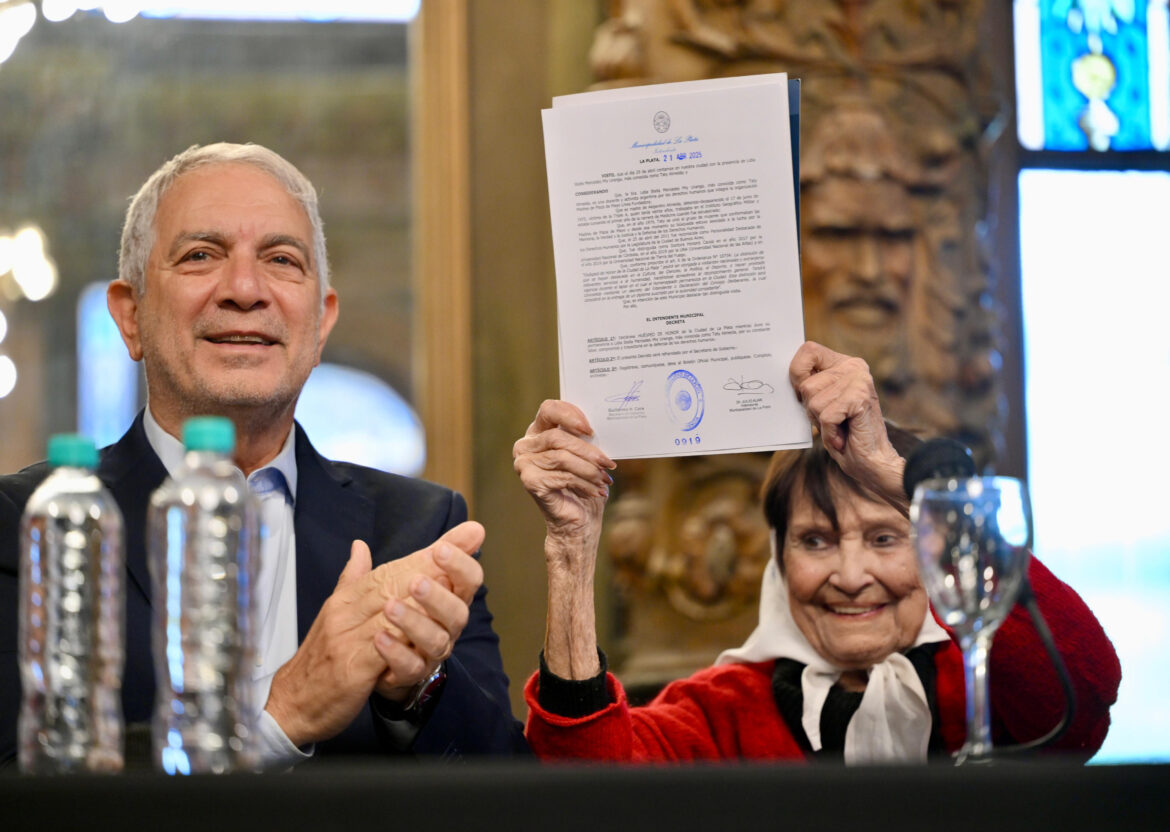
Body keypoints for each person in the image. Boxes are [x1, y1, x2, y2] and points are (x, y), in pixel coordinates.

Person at [0, 142, 526, 767]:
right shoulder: (27, 523)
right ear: (131, 315)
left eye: (281, 260)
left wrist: (413, 691)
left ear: (321, 323)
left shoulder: (418, 530)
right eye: (201, 256)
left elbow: (506, 792)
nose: (246, 289)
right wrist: (286, 714)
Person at [513, 341, 1119, 762]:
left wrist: (891, 475)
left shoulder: (987, 690)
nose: (851, 576)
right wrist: (572, 545)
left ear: (931, 552)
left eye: (885, 538)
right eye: (815, 540)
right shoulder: (723, 713)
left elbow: (1084, 692)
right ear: (778, 562)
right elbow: (589, 781)